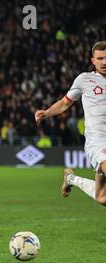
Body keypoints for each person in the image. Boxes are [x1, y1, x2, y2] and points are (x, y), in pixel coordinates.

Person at [35, 41, 106, 205]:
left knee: (102, 197)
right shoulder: (85, 79)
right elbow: (65, 103)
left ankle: (71, 178)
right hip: (98, 141)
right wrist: (46, 113)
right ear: (93, 60)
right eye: (100, 58)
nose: (104, 62)